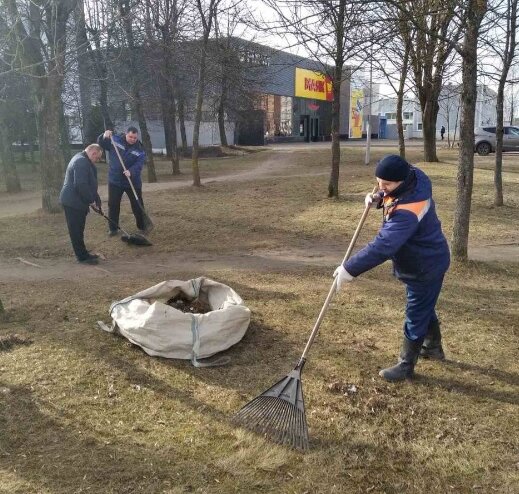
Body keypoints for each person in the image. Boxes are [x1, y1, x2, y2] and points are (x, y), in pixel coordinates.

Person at [333, 154, 450, 382]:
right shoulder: (414, 178)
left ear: (401, 181)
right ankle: (433, 347)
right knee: (425, 305)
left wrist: (349, 269)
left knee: (416, 313)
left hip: (424, 265)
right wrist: (378, 198)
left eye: (386, 184)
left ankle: (406, 366)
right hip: (422, 260)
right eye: (378, 182)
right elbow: (393, 195)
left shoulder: (409, 211)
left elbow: (383, 245)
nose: (381, 187)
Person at [59, 144, 104, 265]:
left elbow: (91, 184)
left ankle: (83, 253)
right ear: (93, 153)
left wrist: (97, 203)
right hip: (72, 202)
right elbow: (81, 185)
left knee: (79, 229)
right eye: (98, 158)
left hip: (78, 201)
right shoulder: (81, 162)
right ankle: (82, 257)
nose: (98, 160)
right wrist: (91, 201)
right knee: (76, 230)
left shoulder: (84, 160)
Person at [98, 127, 146, 236]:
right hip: (115, 181)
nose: (133, 139)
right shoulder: (115, 140)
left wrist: (131, 171)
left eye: (135, 137)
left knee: (138, 205)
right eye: (130, 136)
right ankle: (113, 228)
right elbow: (102, 144)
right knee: (113, 205)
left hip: (132, 182)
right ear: (126, 134)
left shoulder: (139, 149)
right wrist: (104, 136)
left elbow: (139, 164)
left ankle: (142, 226)